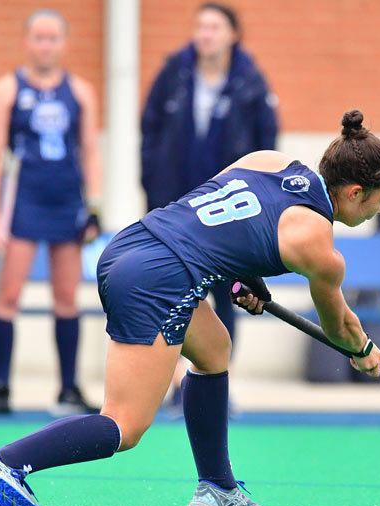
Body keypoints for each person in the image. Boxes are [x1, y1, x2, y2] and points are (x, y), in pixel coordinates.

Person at [0, 110, 380, 506]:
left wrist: (244, 273)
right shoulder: (320, 246)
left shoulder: (272, 161)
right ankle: (4, 462)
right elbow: (338, 324)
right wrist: (363, 350)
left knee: (213, 349)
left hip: (133, 245)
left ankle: (218, 489)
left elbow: (212, 219)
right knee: (125, 425)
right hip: (163, 278)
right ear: (355, 193)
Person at [0, 9, 101, 415]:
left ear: (64, 43)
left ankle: (69, 388)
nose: (45, 45)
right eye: (38, 38)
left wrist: (93, 207)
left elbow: (90, 153)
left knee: (66, 298)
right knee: (7, 297)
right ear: (27, 42)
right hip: (22, 202)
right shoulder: (7, 89)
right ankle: (0, 385)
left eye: (53, 38)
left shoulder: (80, 92)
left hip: (66, 202)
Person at [141, 3, 278, 348]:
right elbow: (150, 130)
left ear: (233, 34)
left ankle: (220, 380)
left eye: (215, 27)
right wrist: (152, 182)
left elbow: (266, 144)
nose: (206, 34)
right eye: (201, 26)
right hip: (177, 206)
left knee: (228, 294)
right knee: (175, 293)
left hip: (227, 211)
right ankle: (173, 383)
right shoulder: (174, 72)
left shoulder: (251, 82)